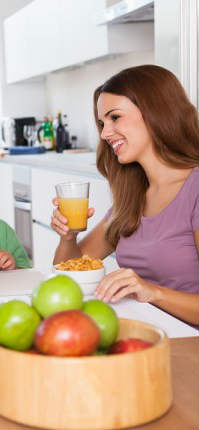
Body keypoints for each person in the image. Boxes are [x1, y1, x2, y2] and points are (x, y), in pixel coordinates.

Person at [51, 64, 198, 325]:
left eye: (115, 117)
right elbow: (68, 274)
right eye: (101, 123)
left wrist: (152, 292)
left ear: (155, 112)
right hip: (144, 334)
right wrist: (68, 237)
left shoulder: (194, 189)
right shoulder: (134, 197)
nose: (105, 133)